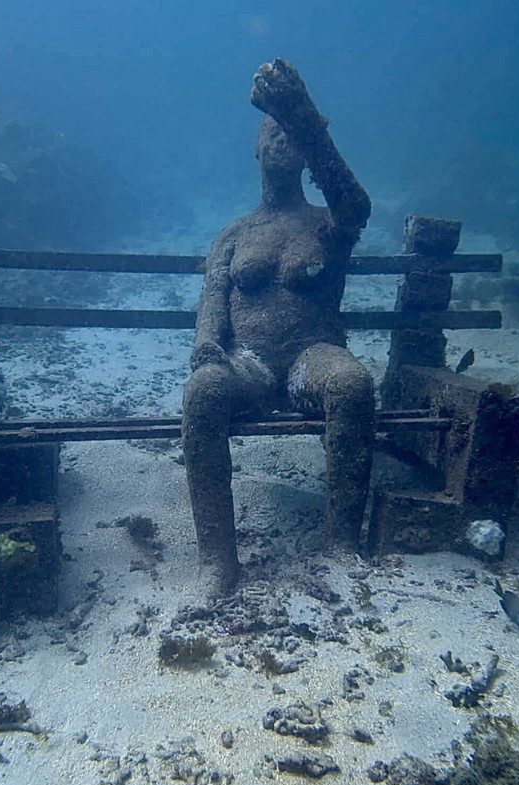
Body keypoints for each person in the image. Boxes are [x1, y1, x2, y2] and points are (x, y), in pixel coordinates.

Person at [182, 58, 374, 598]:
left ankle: (342, 544)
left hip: (314, 353)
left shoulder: (329, 224)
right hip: (251, 361)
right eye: (274, 130)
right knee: (202, 393)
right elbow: (213, 296)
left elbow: (356, 203)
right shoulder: (235, 233)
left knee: (351, 384)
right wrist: (207, 348)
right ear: (257, 149)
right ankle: (217, 561)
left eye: (294, 134)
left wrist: (300, 114)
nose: (283, 139)